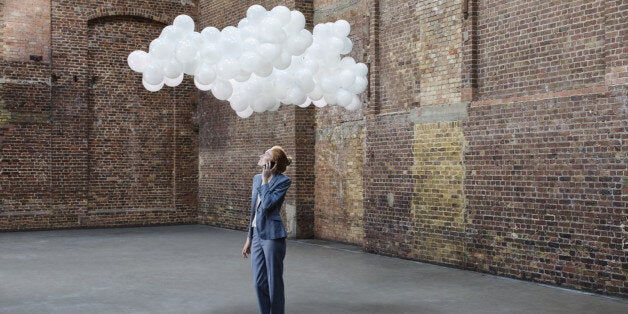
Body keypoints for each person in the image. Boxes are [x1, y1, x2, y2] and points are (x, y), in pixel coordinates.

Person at [242, 146, 292, 314]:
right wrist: (249, 237)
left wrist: (265, 180)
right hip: (257, 234)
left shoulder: (283, 181)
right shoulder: (256, 178)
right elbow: (254, 210)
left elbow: (269, 205)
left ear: (272, 162)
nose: (261, 156)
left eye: (266, 155)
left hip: (272, 235)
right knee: (259, 281)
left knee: (274, 281)